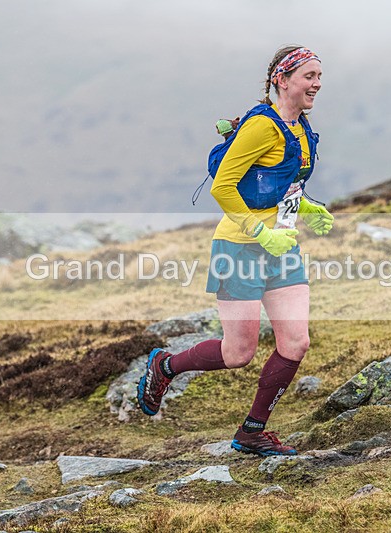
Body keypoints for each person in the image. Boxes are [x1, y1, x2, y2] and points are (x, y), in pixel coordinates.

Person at [137, 45, 334, 456]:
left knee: (295, 343)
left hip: (283, 250)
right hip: (240, 247)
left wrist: (309, 207)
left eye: (319, 76)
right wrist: (260, 235)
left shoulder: (301, 127)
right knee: (238, 352)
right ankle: (165, 365)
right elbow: (223, 186)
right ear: (282, 79)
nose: (317, 83)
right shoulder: (261, 127)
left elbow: (282, 182)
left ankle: (252, 431)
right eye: (309, 76)